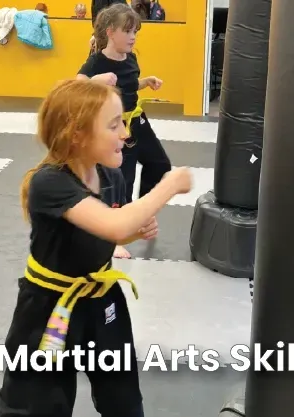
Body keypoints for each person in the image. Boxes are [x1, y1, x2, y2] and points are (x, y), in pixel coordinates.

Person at [0, 79, 192, 417]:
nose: (126, 133)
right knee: (34, 402)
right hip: (49, 308)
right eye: (114, 125)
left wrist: (131, 233)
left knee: (123, 396)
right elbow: (115, 224)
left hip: (101, 298)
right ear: (77, 135)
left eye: (123, 122)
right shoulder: (49, 183)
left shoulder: (111, 177)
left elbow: (107, 230)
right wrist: (168, 185)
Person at [77, 3, 172, 259]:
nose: (133, 37)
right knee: (122, 183)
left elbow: (129, 85)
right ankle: (114, 238)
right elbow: (77, 85)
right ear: (110, 32)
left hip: (138, 121)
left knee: (160, 164)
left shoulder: (131, 57)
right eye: (128, 31)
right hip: (118, 130)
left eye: (135, 32)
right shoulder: (97, 61)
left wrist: (146, 81)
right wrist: (96, 81)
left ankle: (142, 211)